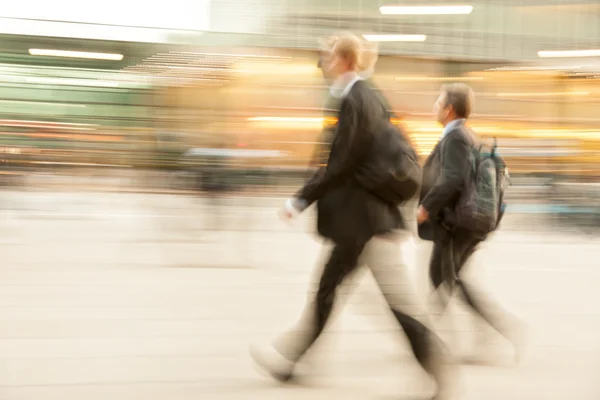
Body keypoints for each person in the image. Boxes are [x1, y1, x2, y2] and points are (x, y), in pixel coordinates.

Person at [250, 32, 456, 399]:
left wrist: (299, 201)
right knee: (326, 292)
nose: (324, 64)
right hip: (359, 222)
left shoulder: (357, 98)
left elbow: (341, 164)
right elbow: (344, 161)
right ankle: (292, 361)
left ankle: (436, 365)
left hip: (366, 224)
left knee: (393, 300)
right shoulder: (362, 96)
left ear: (343, 60)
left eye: (328, 57)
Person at [417, 83, 525, 364]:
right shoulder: (468, 136)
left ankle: (431, 342)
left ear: (449, 109)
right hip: (471, 221)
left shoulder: (455, 137)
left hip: (458, 223)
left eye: (438, 101)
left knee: (447, 277)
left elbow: (453, 177)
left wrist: (427, 206)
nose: (435, 106)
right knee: (443, 277)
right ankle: (432, 339)